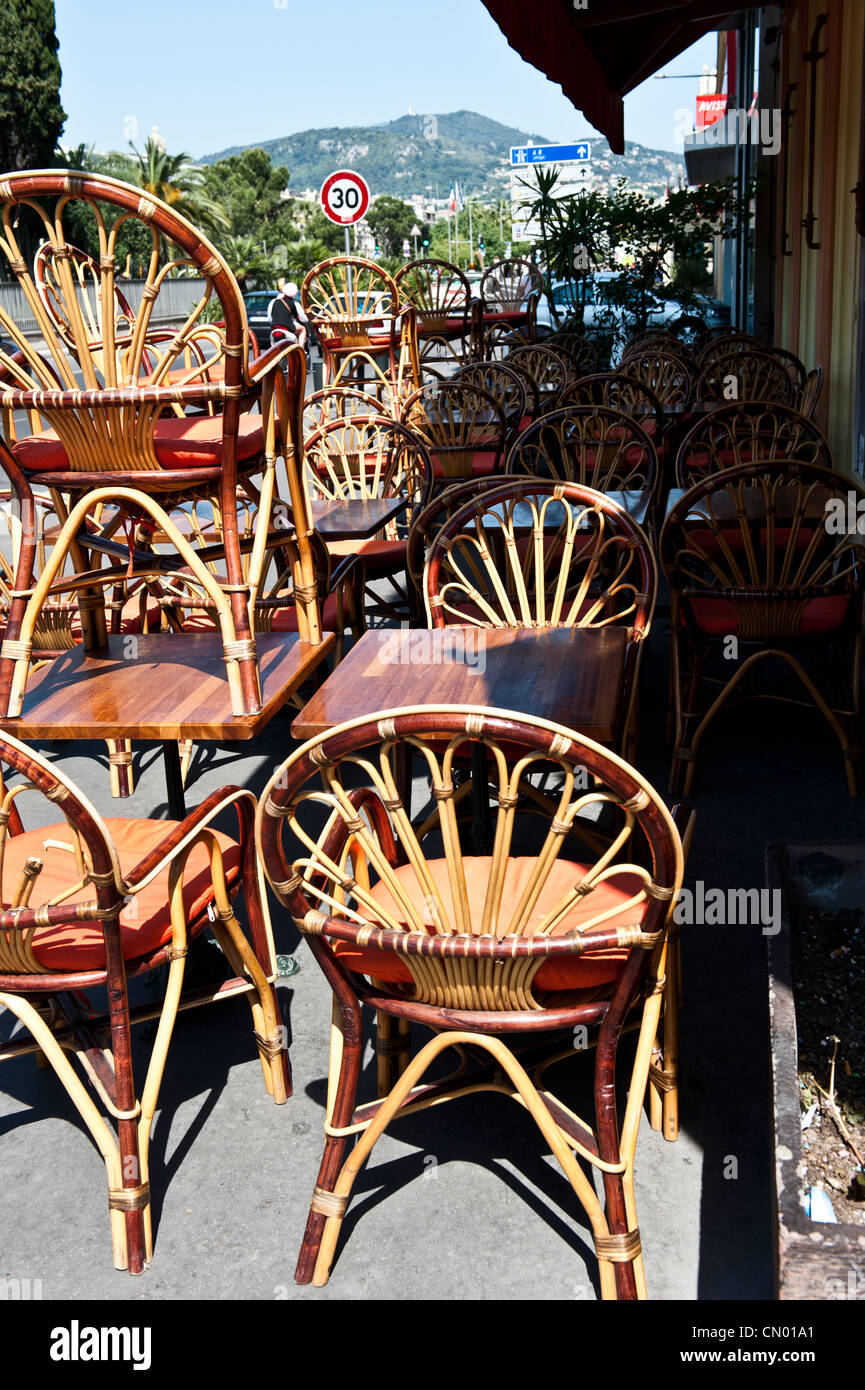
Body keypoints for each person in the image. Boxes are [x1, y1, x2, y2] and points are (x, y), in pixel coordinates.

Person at [269, 278, 308, 351]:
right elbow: (299, 318)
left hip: (274, 328)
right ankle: (301, 350)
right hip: (286, 327)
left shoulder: (274, 301)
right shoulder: (293, 303)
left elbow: (270, 318)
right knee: (303, 329)